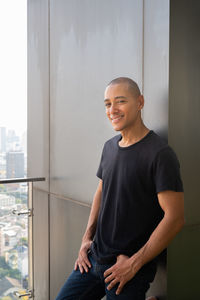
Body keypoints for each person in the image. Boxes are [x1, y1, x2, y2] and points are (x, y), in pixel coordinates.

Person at [55, 77, 185, 300]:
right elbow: (101, 191)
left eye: (120, 101)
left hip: (128, 270)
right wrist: (87, 238)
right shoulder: (109, 147)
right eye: (107, 103)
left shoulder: (160, 154)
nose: (112, 110)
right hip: (94, 258)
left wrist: (134, 264)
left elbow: (175, 218)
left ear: (140, 102)